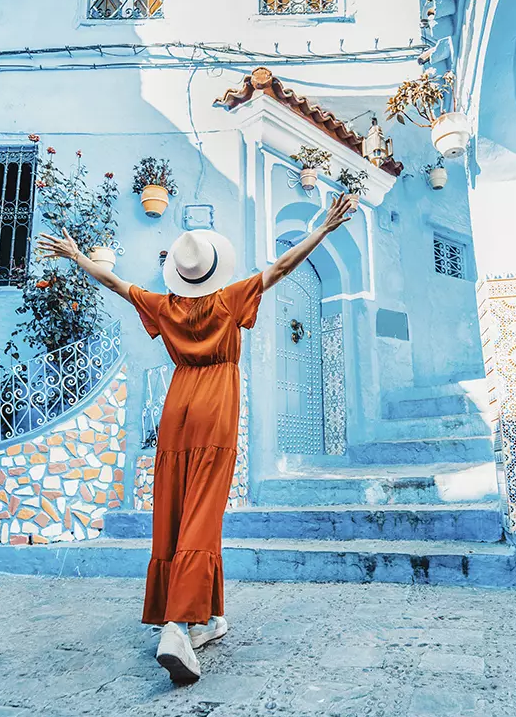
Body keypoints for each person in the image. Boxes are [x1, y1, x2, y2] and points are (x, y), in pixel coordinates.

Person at [36, 193, 358, 683]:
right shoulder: (229, 300)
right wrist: (324, 230)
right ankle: (176, 625)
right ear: (213, 268)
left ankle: (206, 616)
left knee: (174, 510)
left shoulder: (163, 306)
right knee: (204, 515)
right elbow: (285, 266)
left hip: (177, 405)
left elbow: (114, 282)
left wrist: (78, 257)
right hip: (215, 406)